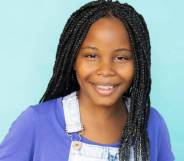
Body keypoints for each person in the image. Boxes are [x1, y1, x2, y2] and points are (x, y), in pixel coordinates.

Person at [0, 0, 174, 161]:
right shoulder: (36, 122)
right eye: (91, 55)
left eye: (121, 58)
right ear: (73, 60)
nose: (106, 71)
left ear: (139, 64)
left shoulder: (152, 123)